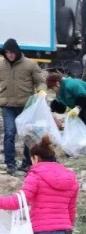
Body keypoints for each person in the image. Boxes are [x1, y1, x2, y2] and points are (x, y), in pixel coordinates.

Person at [1, 38, 46, 175]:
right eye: (7, 52)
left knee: (27, 135)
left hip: (26, 106)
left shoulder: (30, 65)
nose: (10, 55)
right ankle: (10, 164)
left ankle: (27, 163)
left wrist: (41, 91)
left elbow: (40, 81)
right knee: (9, 133)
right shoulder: (1, 65)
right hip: (7, 105)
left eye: (12, 52)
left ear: (17, 51)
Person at [47, 73, 86, 154]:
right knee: (79, 124)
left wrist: (78, 108)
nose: (53, 90)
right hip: (85, 106)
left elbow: (84, 99)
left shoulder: (71, 84)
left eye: (52, 88)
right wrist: (51, 109)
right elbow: (61, 105)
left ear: (57, 83)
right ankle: (81, 147)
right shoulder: (60, 91)